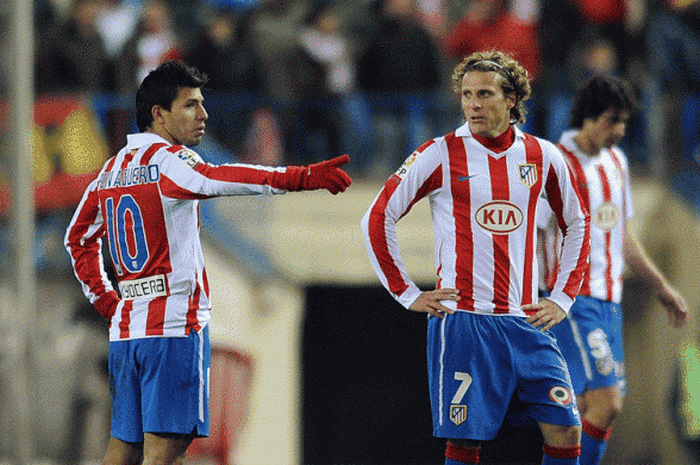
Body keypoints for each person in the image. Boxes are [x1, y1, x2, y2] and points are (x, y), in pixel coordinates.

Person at [64, 60, 352, 465]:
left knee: (124, 447)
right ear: (158, 114)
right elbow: (223, 177)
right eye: (190, 106)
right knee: (166, 451)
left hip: (128, 330)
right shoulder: (171, 165)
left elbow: (76, 238)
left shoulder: (112, 169)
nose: (203, 115)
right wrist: (300, 177)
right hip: (173, 328)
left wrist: (108, 302)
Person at [361, 50, 591, 465]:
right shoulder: (439, 153)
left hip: (527, 321)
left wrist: (562, 296)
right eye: (466, 95)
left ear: (512, 99)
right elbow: (377, 217)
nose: (473, 104)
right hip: (465, 323)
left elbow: (579, 221)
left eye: (484, 94)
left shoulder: (544, 156)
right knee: (466, 443)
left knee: (566, 427)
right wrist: (407, 293)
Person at [540, 75, 689, 465]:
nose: (620, 130)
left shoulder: (617, 162)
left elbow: (621, 234)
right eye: (612, 120)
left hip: (610, 301)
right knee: (609, 403)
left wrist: (661, 286)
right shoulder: (557, 162)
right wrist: (537, 294)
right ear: (588, 117)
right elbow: (537, 233)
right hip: (574, 301)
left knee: (588, 406)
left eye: (624, 122)